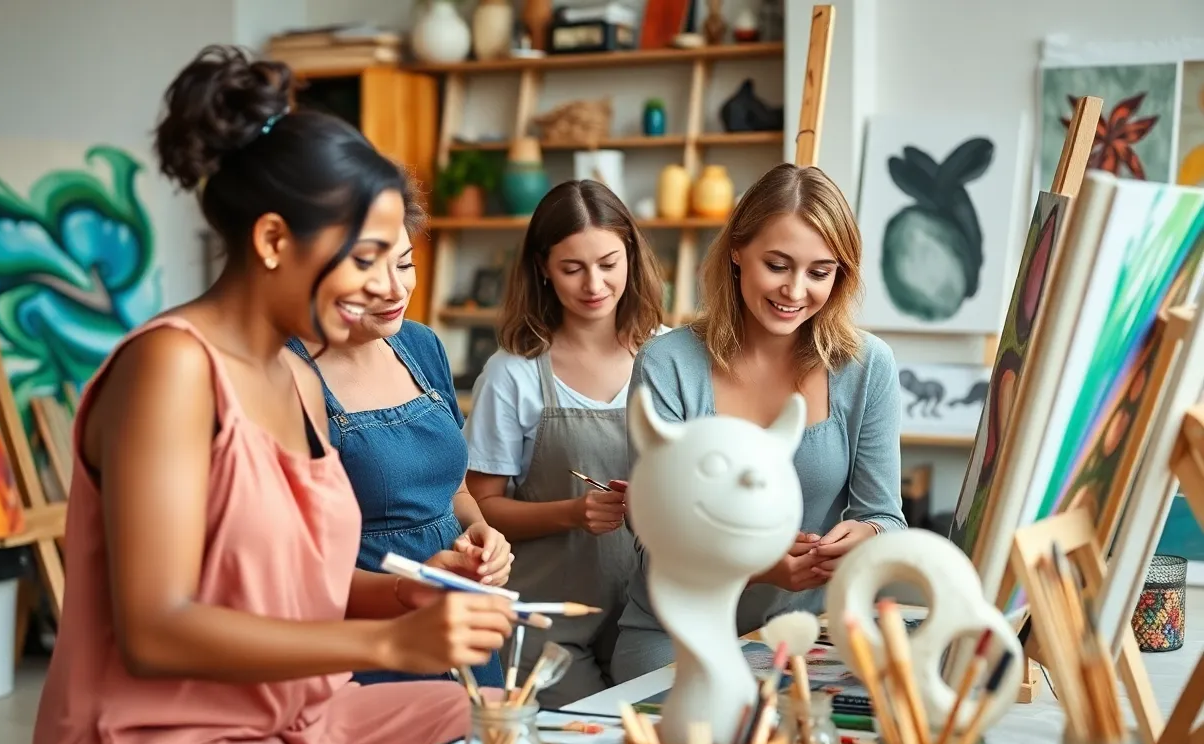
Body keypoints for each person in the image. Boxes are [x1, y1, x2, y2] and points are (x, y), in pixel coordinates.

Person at [28, 46, 515, 744]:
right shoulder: (171, 369)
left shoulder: (296, 381)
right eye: (362, 258)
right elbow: (155, 630)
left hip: (296, 717)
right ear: (273, 241)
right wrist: (392, 645)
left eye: (397, 260)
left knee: (492, 726)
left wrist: (415, 590)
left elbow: (299, 594)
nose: (384, 287)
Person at [612, 163, 906, 684]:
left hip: (814, 632)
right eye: (778, 265)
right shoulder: (668, 364)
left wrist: (865, 535)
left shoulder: (867, 366)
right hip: (679, 632)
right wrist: (754, 568)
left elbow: (884, 515)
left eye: (820, 272)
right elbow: (650, 527)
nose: (795, 291)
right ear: (736, 251)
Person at [287, 192, 511, 688]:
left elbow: (454, 492)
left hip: (456, 615)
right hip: (365, 633)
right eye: (371, 270)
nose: (395, 290)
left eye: (406, 264)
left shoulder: (420, 344)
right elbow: (292, 568)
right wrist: (408, 586)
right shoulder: (285, 374)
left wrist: (479, 534)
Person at [464, 180, 666, 707]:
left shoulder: (670, 358)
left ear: (632, 256)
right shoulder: (513, 374)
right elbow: (481, 509)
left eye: (608, 263)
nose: (594, 284)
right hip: (546, 628)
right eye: (572, 268)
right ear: (542, 270)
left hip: (652, 619)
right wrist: (574, 513)